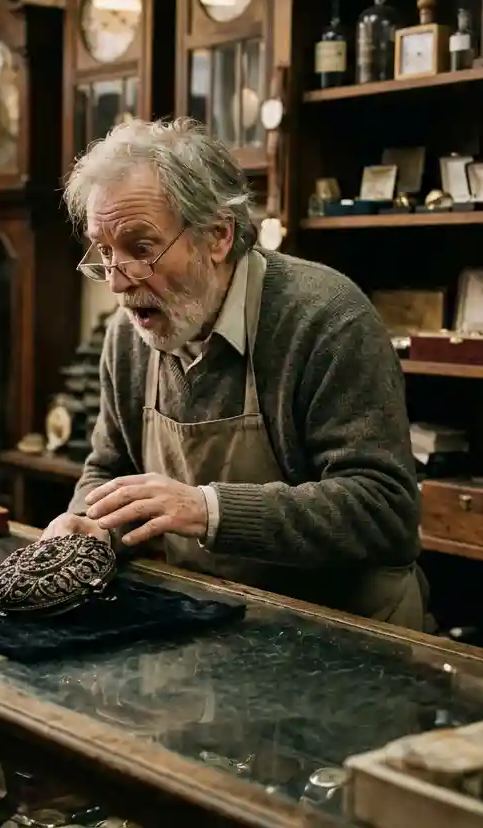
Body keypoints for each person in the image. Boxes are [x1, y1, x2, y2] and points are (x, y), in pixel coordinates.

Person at [41, 117, 426, 629]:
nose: (117, 283)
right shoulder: (128, 335)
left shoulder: (327, 319)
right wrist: (88, 526)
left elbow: (384, 510)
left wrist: (209, 510)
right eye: (105, 252)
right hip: (206, 620)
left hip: (346, 633)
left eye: (141, 248)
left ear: (218, 235)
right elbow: (111, 467)